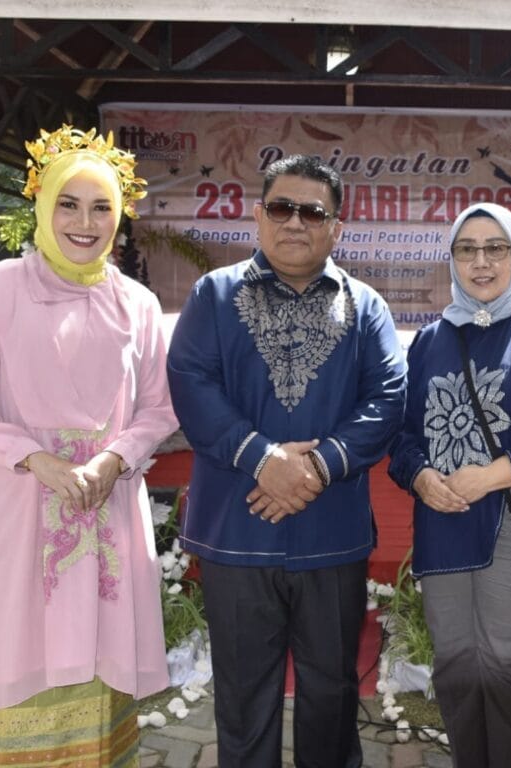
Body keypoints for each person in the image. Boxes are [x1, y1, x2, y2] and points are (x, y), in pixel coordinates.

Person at [166, 154, 406, 767]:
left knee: (332, 689)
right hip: (238, 531)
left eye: (313, 211)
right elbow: (192, 382)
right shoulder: (214, 295)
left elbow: (387, 399)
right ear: (257, 216)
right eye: (281, 207)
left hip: (332, 535)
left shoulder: (366, 307)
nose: (295, 222)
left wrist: (316, 466)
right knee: (244, 698)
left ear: (337, 229)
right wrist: (261, 458)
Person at [0, 124, 177, 764]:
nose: (86, 222)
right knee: (20, 645)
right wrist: (37, 458)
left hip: (105, 509)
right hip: (19, 507)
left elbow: (157, 408)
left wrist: (113, 459)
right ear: (42, 205)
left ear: (121, 216)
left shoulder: (136, 302)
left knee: (98, 672)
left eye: (102, 206)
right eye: (69, 204)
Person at [388, 201, 511, 766]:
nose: (481, 262)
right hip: (442, 520)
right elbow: (402, 438)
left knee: (510, 663)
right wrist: (422, 477)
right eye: (467, 249)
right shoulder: (428, 343)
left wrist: (491, 477)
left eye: (495, 247)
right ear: (450, 259)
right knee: (454, 660)